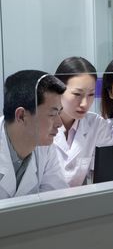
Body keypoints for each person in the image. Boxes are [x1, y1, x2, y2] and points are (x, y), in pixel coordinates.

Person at [0, 70, 68, 199]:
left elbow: (57, 200)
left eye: (60, 113)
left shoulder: (46, 147)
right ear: (21, 116)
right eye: (52, 114)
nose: (59, 123)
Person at [54, 56, 112, 186]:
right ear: (57, 90)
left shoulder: (97, 125)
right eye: (77, 94)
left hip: (80, 202)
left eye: (91, 94)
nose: (85, 104)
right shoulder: (40, 124)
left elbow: (107, 174)